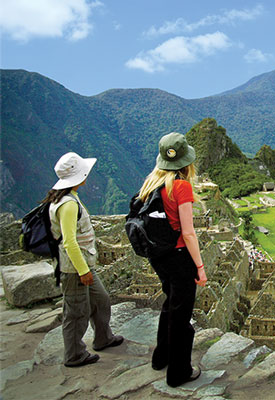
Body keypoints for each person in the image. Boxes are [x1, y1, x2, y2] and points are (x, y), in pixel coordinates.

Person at [137, 132, 207, 387]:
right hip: (178, 257)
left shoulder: (151, 183)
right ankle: (179, 372)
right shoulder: (181, 186)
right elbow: (188, 232)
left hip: (158, 256)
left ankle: (161, 357)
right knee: (181, 316)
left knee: (170, 304)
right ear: (186, 162)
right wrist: (199, 267)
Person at [46, 152, 124, 367]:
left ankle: (103, 337)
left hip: (84, 264)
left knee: (101, 300)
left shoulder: (68, 197)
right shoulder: (68, 204)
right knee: (76, 312)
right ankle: (74, 354)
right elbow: (69, 242)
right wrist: (83, 271)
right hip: (74, 269)